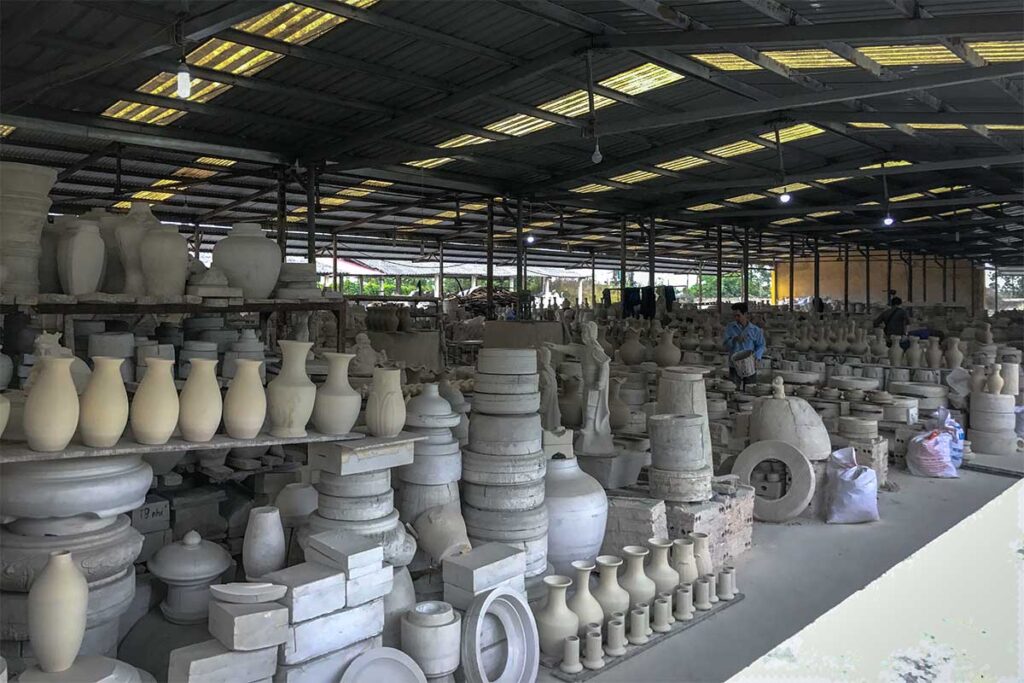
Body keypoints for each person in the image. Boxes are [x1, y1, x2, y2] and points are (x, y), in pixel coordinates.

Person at [723, 302, 766, 388]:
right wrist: (734, 339)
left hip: (750, 364)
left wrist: (757, 357)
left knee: (750, 389)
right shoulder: (730, 327)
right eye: (734, 316)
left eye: (738, 315)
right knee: (732, 389)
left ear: (745, 314)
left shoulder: (755, 330)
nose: (736, 318)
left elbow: (761, 345)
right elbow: (725, 344)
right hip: (734, 364)